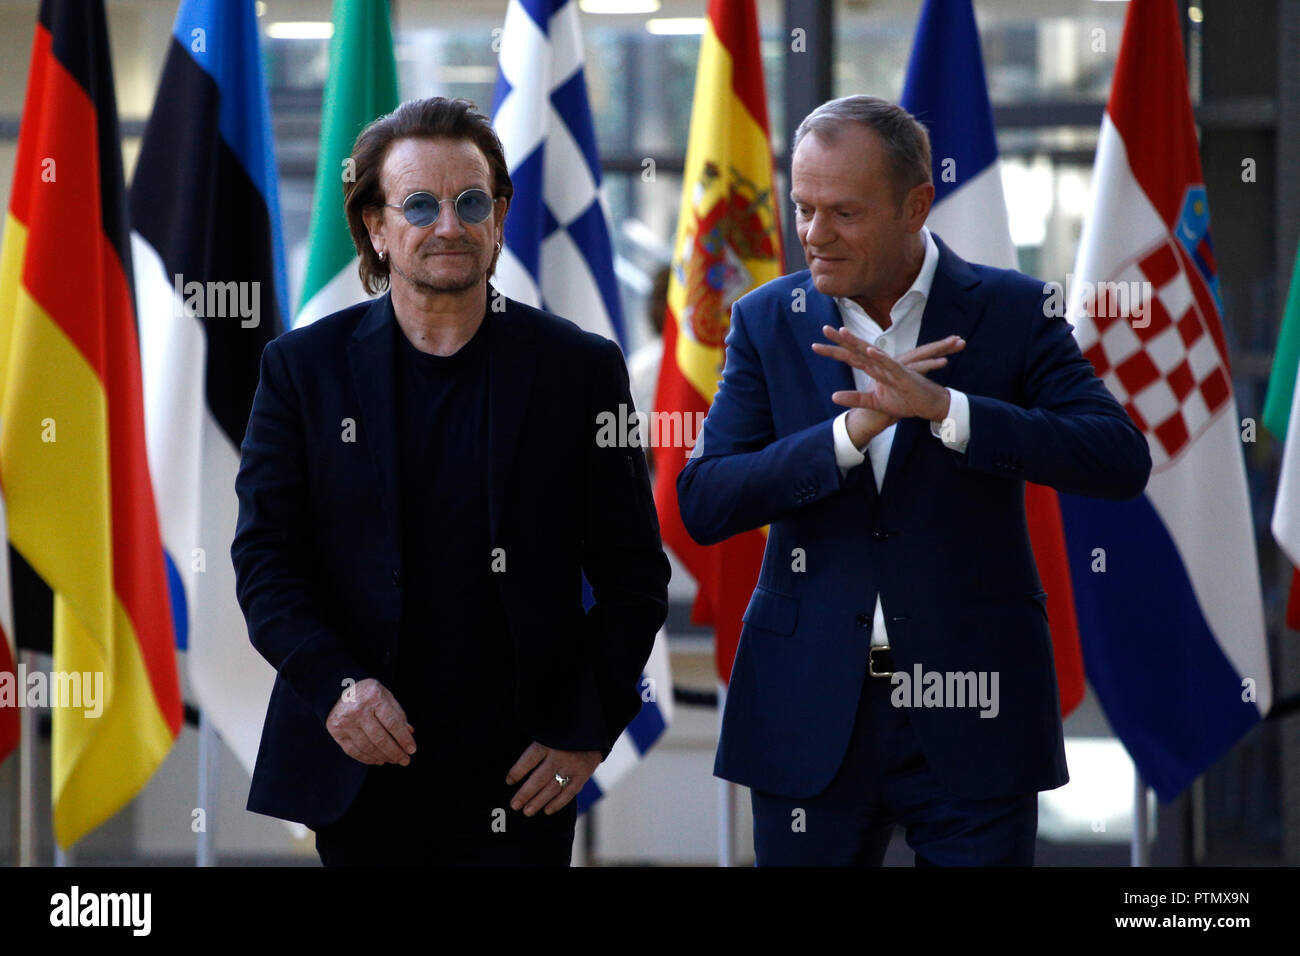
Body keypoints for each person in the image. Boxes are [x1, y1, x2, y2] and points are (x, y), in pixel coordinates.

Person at [676, 95, 1151, 866]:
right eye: (802, 207)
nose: (814, 234)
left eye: (844, 212)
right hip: (807, 712)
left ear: (916, 206)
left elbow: (1118, 457)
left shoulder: (1013, 309)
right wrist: (846, 436)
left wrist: (950, 410)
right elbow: (705, 500)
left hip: (975, 710)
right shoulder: (766, 319)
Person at [231, 97, 669, 866]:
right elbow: (266, 564)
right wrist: (338, 686)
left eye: (471, 202)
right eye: (421, 205)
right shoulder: (303, 372)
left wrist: (586, 726)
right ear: (375, 225)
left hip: (523, 775)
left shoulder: (580, 371)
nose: (449, 226)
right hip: (362, 758)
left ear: (499, 215)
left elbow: (635, 577)